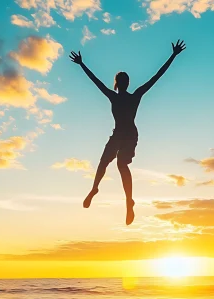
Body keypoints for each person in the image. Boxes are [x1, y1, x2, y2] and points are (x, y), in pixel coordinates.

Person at [69, 39, 186, 225]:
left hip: (128, 135)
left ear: (121, 83)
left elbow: (156, 77)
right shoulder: (127, 96)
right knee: (108, 162)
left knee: (117, 165)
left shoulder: (124, 96)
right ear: (121, 83)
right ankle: (96, 190)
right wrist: (82, 64)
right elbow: (155, 76)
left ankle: (127, 201)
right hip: (122, 135)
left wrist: (172, 56)